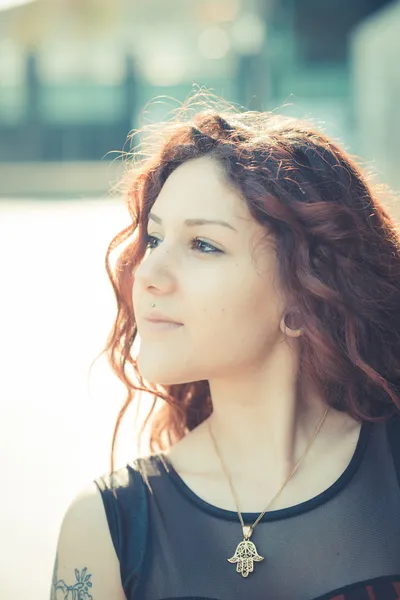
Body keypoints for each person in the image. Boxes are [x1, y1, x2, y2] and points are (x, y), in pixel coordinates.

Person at [50, 96, 400, 600]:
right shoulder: (110, 529)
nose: (146, 273)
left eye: (203, 245)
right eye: (153, 239)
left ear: (306, 295)